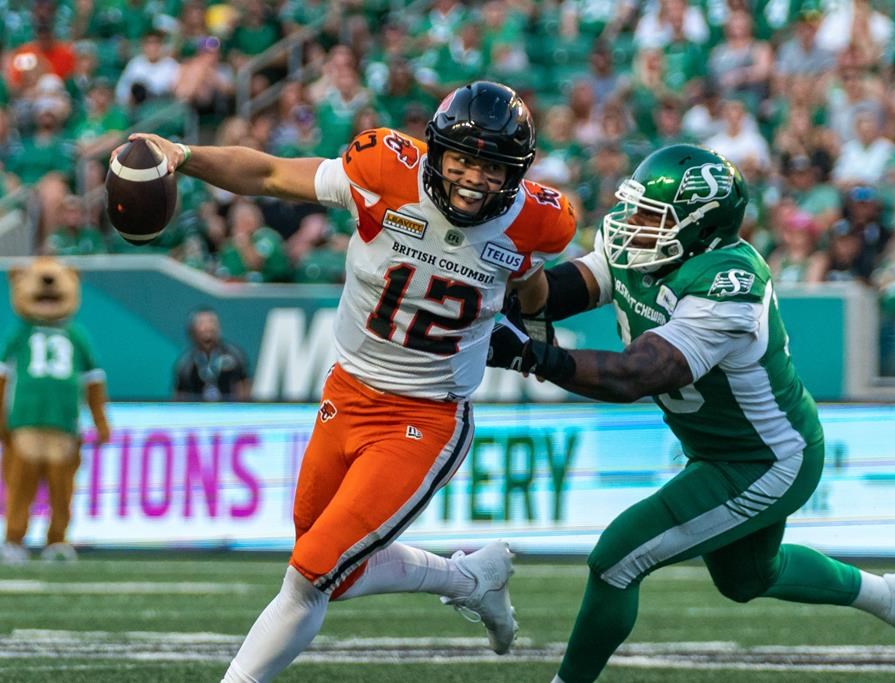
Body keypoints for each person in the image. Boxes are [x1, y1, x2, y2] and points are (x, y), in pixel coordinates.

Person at [118, 80, 575, 682]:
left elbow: (530, 276)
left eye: (492, 168)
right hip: (346, 393)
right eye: (462, 159)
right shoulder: (384, 170)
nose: (472, 179)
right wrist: (185, 155)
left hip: (426, 417)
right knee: (333, 562)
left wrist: (530, 317)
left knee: (311, 573)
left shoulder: (539, 219)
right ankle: (471, 579)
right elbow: (271, 176)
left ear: (516, 174)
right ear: (434, 150)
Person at [487, 144, 895, 682]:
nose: (633, 224)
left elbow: (638, 374)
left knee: (617, 559)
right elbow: (568, 289)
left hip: (767, 459)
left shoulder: (729, 285)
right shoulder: (641, 247)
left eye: (652, 217)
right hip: (718, 450)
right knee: (747, 577)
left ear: (700, 228)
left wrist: (530, 354)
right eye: (635, 209)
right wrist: (516, 280)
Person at [173, 307, 251, 401]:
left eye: (212, 322)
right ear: (192, 331)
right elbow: (180, 396)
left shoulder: (234, 354)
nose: (208, 327)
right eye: (202, 323)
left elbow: (244, 387)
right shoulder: (185, 362)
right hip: (197, 412)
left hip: (229, 411)